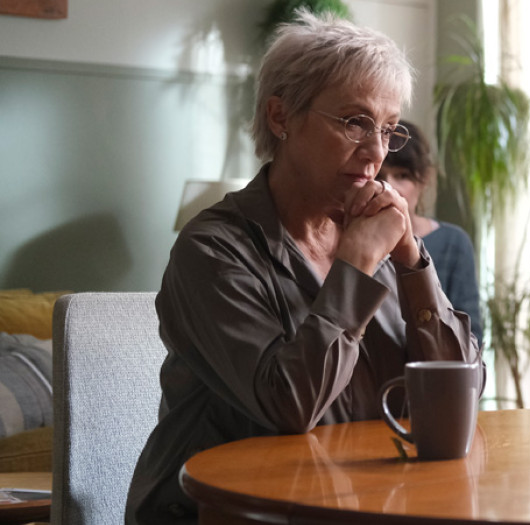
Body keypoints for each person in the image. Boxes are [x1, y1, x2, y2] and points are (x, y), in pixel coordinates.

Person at [126, 12, 482, 524]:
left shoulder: (373, 235)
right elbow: (288, 405)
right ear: (281, 117)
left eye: (387, 129)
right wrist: (357, 262)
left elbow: (459, 394)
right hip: (224, 511)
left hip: (352, 503)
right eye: (355, 122)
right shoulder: (211, 248)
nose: (377, 151)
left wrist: (410, 262)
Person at [376, 121, 483, 344]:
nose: (389, 187)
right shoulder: (348, 242)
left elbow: (472, 336)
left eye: (402, 176)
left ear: (423, 180)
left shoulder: (454, 242)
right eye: (380, 175)